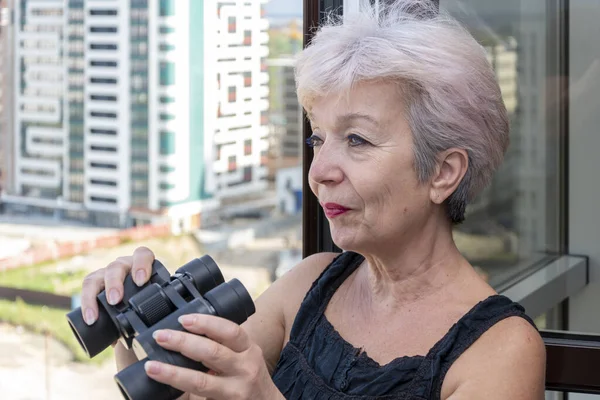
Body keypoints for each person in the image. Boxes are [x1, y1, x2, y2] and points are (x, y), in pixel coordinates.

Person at [79, 1, 545, 398]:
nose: (319, 172)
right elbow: (190, 391)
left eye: (357, 140)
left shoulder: (501, 351)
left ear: (443, 172)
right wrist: (137, 320)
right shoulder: (309, 283)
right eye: (318, 140)